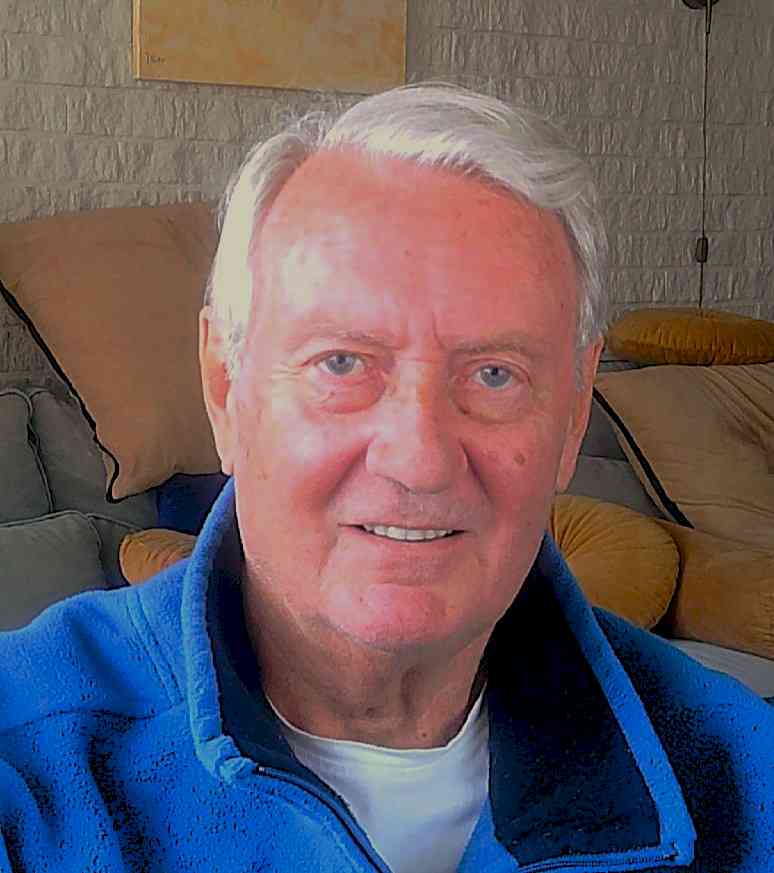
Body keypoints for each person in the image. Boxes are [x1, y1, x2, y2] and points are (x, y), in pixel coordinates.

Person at [0, 83, 771, 873]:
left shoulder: (742, 775)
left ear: (574, 414)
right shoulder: (28, 767)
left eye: (495, 374)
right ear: (226, 390)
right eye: (342, 363)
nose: (419, 459)